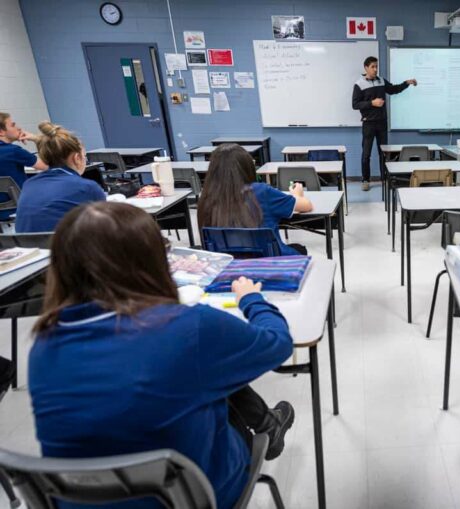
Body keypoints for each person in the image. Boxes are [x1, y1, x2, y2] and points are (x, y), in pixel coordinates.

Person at [29, 201, 295, 509]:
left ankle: (267, 424)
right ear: (152, 259)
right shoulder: (189, 327)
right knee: (209, 375)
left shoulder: (43, 344)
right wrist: (251, 299)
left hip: (77, 500)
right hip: (189, 497)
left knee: (198, 374)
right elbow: (278, 343)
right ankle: (268, 426)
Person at [197, 143, 313, 255]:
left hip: (228, 265)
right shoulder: (262, 192)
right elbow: (306, 205)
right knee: (299, 249)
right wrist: (297, 194)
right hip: (270, 261)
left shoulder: (207, 197)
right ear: (247, 166)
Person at [15, 122, 105, 233]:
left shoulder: (29, 184)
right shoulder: (87, 187)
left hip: (27, 248)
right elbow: (105, 228)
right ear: (77, 158)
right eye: (84, 156)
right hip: (63, 248)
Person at [352, 56, 417, 191]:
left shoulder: (381, 80)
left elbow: (393, 89)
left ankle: (384, 179)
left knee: (384, 154)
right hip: (368, 124)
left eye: (376, 67)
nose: (375, 69)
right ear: (366, 68)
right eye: (372, 67)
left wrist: (406, 83)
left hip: (382, 123)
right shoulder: (359, 84)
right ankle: (365, 180)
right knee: (366, 154)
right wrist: (372, 103)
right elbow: (355, 104)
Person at [0, 112, 47, 220]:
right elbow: (49, 166)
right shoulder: (13, 151)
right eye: (13, 125)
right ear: (1, 132)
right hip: (21, 211)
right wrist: (36, 139)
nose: (19, 128)